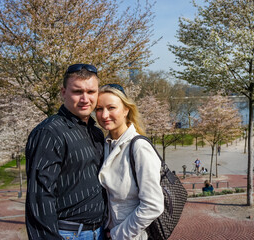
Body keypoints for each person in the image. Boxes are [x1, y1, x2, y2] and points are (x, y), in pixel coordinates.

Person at [25, 64, 106, 239]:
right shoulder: (49, 133)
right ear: (63, 92)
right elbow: (39, 197)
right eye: (78, 92)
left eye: (91, 92)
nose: (85, 99)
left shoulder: (96, 132)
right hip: (69, 233)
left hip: (99, 231)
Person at [95, 84, 164, 239]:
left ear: (126, 109)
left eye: (111, 107)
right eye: (99, 109)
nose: (104, 115)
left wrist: (117, 235)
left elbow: (153, 205)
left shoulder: (139, 147)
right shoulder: (105, 145)